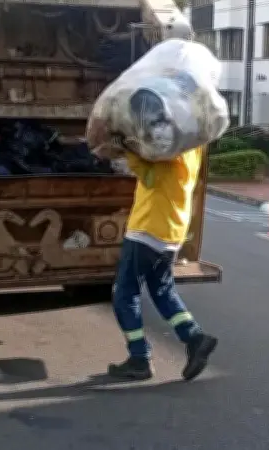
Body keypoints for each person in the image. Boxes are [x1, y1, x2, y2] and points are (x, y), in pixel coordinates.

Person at [107, 142, 218, 381]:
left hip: (148, 226)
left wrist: (128, 149)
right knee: (161, 290)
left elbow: (149, 175)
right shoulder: (193, 145)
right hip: (172, 230)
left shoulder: (168, 146)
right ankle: (195, 338)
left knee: (124, 293)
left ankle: (139, 358)